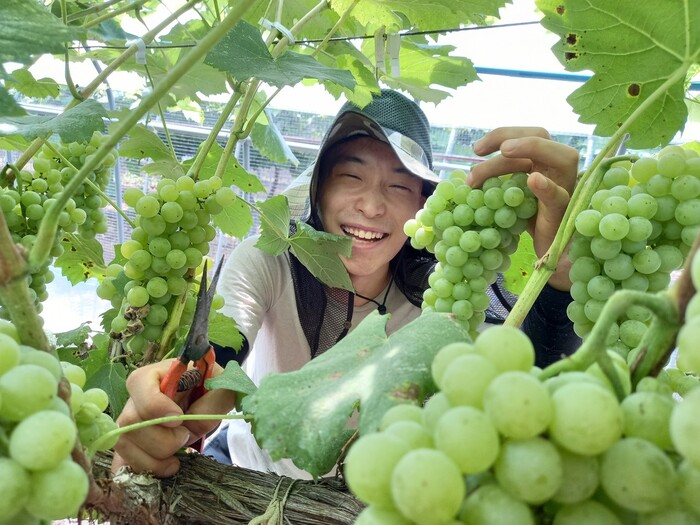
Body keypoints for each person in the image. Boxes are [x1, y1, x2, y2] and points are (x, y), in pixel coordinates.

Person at [112, 88, 580, 479]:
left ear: (424, 206)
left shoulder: (439, 294)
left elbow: (523, 387)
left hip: (367, 500)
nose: (372, 207)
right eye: (351, 176)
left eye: (399, 186)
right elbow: (222, 349)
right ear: (317, 191)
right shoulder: (270, 260)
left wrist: (559, 277)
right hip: (248, 478)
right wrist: (180, 395)